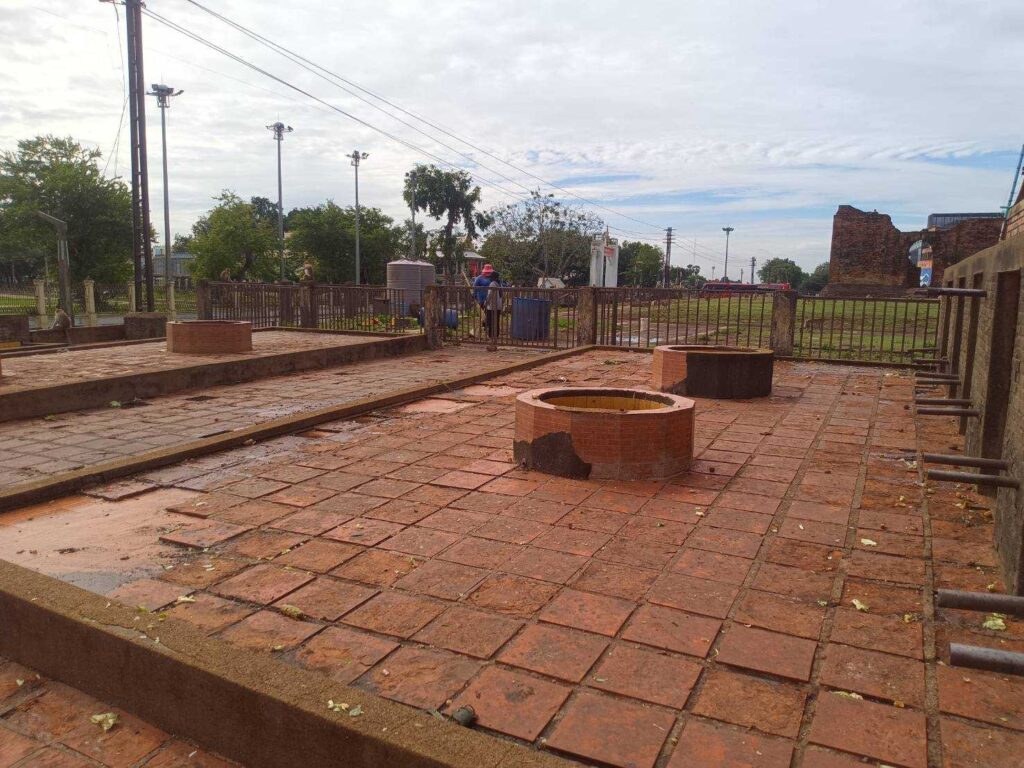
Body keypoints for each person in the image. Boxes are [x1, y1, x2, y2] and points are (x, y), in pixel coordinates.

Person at [472, 263, 501, 340]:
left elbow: (491, 294)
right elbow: (475, 288)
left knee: (490, 318)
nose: (488, 274)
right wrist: (475, 295)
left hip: (491, 302)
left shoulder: (494, 281)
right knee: (484, 317)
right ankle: (485, 331)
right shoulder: (479, 278)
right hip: (482, 300)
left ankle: (491, 333)